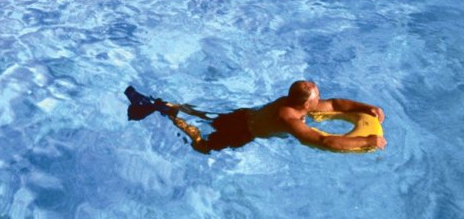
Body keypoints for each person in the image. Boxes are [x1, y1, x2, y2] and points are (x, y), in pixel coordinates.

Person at [125, 80, 386, 154]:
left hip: (244, 115)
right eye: (317, 98)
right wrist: (367, 141)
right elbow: (324, 141)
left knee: (208, 115)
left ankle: (170, 104)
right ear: (308, 103)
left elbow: (337, 104)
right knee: (203, 146)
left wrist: (367, 108)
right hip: (243, 132)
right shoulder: (290, 120)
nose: (321, 101)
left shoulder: (293, 102)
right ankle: (170, 114)